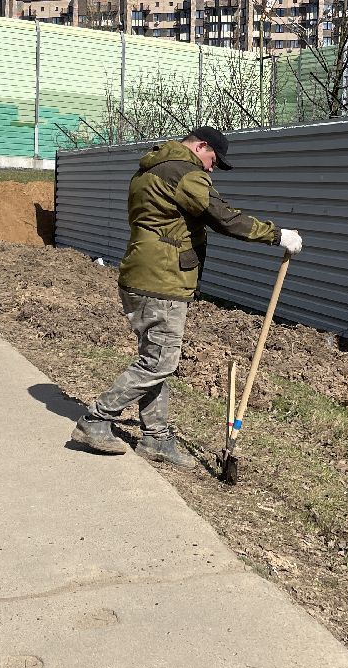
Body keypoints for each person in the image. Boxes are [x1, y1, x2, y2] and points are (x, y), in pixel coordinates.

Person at [70, 126, 303, 468]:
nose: (211, 168)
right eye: (213, 159)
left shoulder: (150, 169)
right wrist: (277, 235)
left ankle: (156, 437)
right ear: (201, 146)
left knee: (155, 357)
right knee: (161, 361)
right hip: (161, 280)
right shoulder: (183, 173)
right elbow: (225, 218)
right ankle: (96, 419)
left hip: (142, 273)